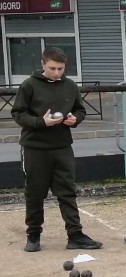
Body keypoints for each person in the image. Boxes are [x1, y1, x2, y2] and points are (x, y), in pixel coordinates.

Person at [12, 47, 104, 252]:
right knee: (35, 193)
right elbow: (18, 114)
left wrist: (75, 120)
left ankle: (75, 235)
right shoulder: (29, 85)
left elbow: (80, 110)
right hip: (34, 148)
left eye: (60, 68)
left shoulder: (70, 86)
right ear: (42, 64)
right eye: (52, 68)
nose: (56, 72)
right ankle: (33, 235)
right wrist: (40, 122)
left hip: (62, 146)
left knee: (67, 192)